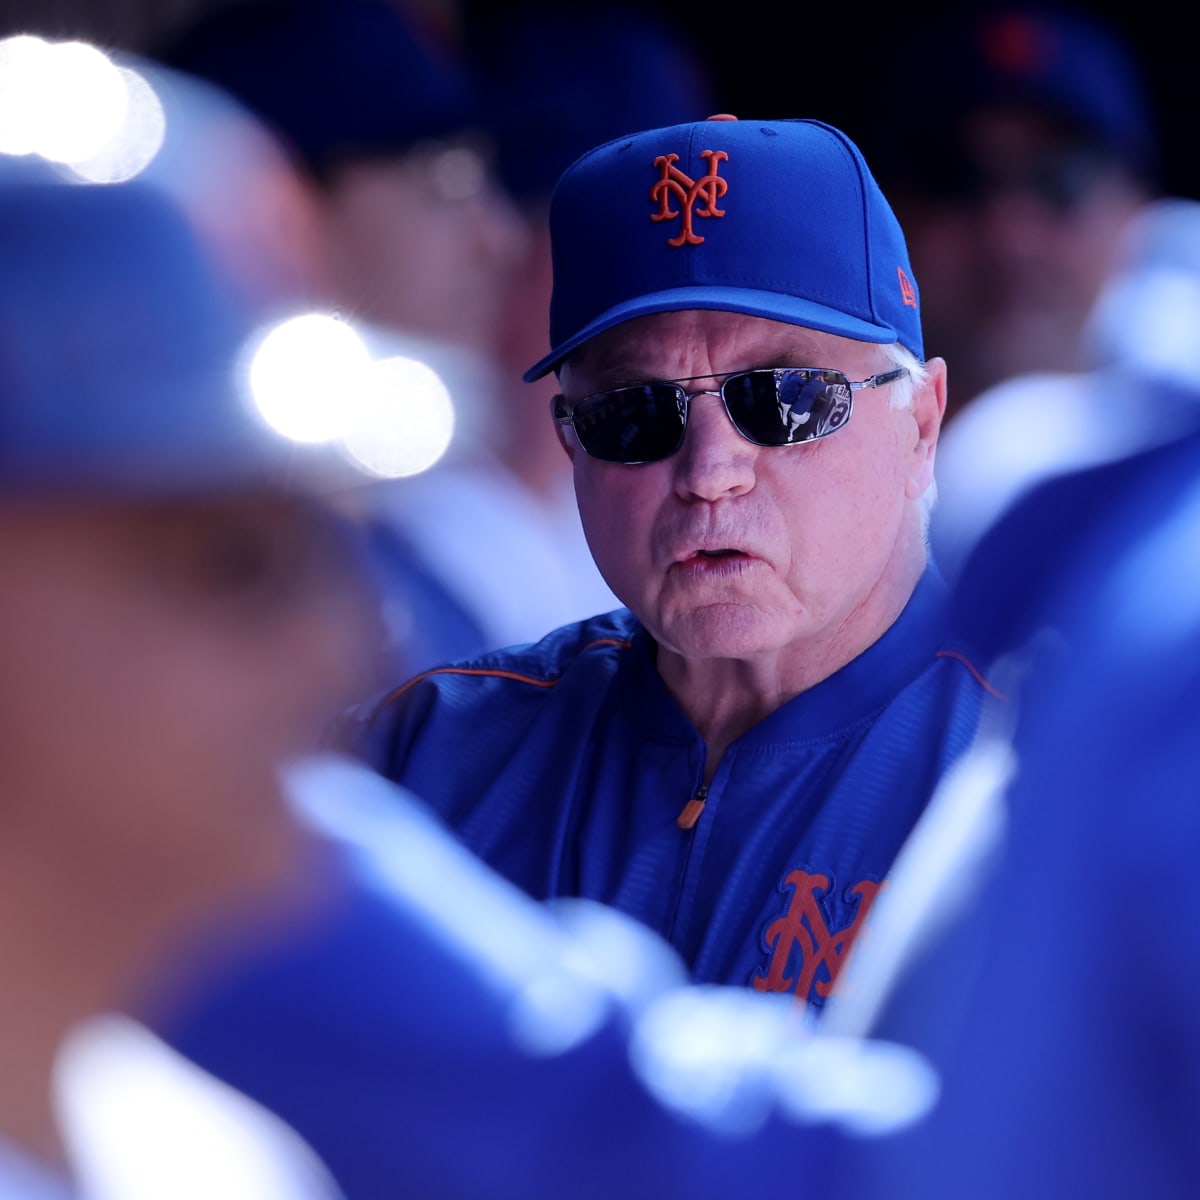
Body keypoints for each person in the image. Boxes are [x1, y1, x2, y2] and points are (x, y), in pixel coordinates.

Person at [342, 114, 998, 1009]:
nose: (710, 472)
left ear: (920, 424)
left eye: (784, 398)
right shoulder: (433, 752)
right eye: (635, 412)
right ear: (571, 444)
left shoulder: (1039, 772)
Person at [159, 0, 531, 677]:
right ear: (277, 206)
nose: (499, 238)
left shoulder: (403, 557)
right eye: (447, 180)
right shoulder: (154, 563)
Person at [857, 2, 1161, 425]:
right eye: (954, 178)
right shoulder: (806, 474)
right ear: (888, 215)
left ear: (1135, 210)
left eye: (1060, 179)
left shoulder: (1182, 472)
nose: (1010, 237)